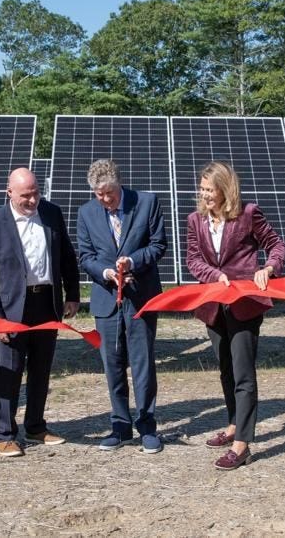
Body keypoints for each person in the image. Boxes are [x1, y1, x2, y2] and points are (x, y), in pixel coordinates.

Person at [186, 161, 285, 470]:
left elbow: (277, 244)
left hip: (244, 303)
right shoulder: (195, 220)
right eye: (202, 190)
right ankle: (233, 424)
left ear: (225, 190)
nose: (205, 196)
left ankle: (242, 444)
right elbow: (193, 260)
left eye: (210, 190)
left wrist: (269, 268)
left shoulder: (248, 214)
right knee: (226, 369)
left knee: (243, 373)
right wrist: (215, 276)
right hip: (213, 305)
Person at [0, 168, 81, 457]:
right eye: (26, 195)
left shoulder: (51, 213)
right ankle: (5, 434)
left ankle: (35, 426)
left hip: (46, 303)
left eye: (36, 193)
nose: (33, 200)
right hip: (12, 309)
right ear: (9, 192)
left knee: (41, 368)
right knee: (10, 371)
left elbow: (66, 256)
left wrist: (72, 294)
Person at [76, 159, 167, 454]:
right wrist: (107, 273)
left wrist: (132, 262)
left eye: (110, 193)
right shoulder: (86, 213)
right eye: (99, 194)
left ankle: (147, 426)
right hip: (106, 300)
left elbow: (158, 245)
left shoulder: (147, 203)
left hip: (141, 297)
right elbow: (86, 256)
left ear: (120, 184)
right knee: (112, 365)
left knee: (142, 364)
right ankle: (120, 426)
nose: (105, 199)